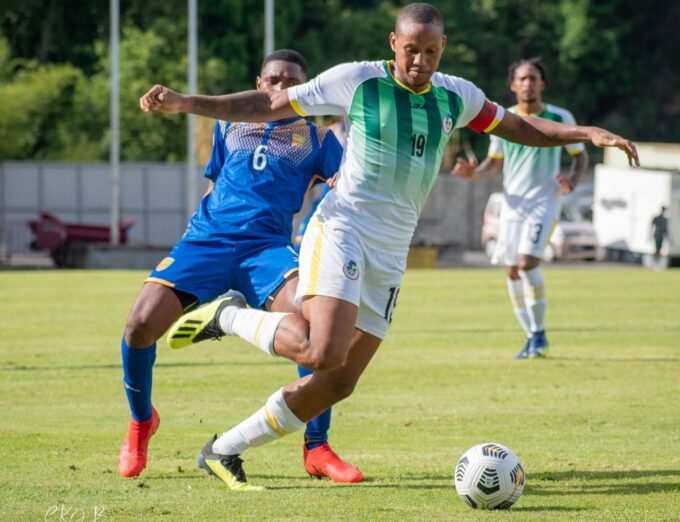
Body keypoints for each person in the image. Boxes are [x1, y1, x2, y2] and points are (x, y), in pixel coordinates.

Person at [141, 2, 639, 490]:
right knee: (320, 351)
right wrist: (188, 103)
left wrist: (586, 133)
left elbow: (518, 126)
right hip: (344, 230)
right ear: (393, 44)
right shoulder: (357, 81)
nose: (419, 62)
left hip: (391, 251)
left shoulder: (456, 96)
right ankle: (227, 315)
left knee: (339, 382)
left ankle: (224, 449)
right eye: (410, 51)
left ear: (443, 48)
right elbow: (268, 105)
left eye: (430, 52)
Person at [119, 49, 363, 486]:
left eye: (291, 82)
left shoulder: (318, 139)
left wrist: (336, 185)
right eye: (272, 80)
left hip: (266, 250)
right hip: (205, 243)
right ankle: (141, 424)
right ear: (258, 81)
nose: (280, 88)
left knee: (313, 330)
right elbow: (219, 181)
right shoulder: (229, 123)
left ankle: (317, 447)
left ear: (305, 90)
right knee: (139, 325)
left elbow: (343, 185)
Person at [452, 58, 589, 359]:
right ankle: (532, 337)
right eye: (522, 79)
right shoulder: (504, 118)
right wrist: (473, 173)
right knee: (512, 270)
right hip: (512, 205)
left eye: (533, 78)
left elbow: (580, 154)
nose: (528, 83)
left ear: (543, 84)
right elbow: (494, 162)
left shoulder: (559, 116)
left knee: (527, 263)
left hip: (544, 201)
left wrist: (573, 181)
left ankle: (538, 334)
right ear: (513, 85)